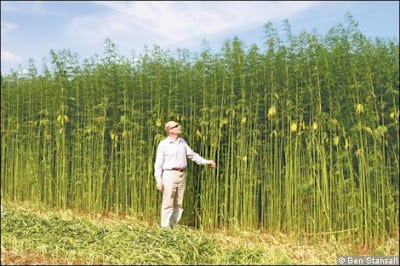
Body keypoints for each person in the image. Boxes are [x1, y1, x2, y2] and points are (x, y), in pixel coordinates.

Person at [154, 121, 216, 228]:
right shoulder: (163, 144)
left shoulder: (182, 142)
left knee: (179, 202)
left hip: (181, 174)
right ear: (170, 130)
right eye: (176, 126)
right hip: (169, 174)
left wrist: (206, 162)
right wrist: (158, 181)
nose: (179, 127)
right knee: (168, 201)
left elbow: (192, 155)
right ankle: (165, 228)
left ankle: (174, 225)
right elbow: (158, 163)